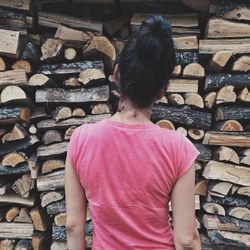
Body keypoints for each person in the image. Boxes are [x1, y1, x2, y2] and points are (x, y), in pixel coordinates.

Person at [65, 15, 201, 250]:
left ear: (117, 74)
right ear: (163, 90)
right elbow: (186, 240)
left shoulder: (81, 140)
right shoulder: (179, 149)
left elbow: (73, 227)